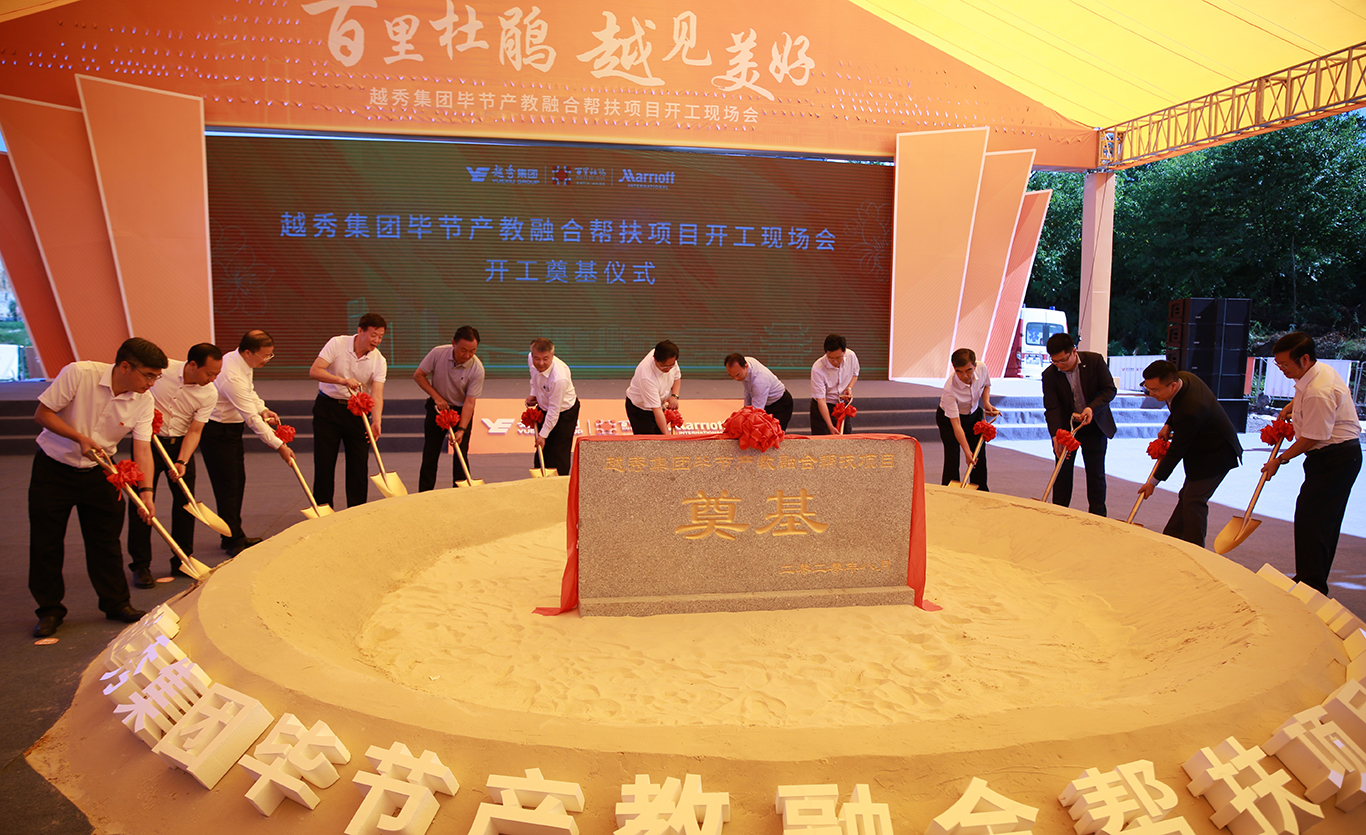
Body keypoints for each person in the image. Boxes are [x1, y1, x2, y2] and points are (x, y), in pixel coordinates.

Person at [28, 337, 166, 638]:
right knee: (46, 542)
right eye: (148, 375)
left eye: (156, 377)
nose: (151, 383)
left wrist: (146, 493)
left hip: (102, 471)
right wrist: (79, 437)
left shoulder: (143, 400)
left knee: (106, 541)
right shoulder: (79, 374)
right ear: (125, 366)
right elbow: (43, 414)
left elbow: (143, 449)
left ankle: (116, 603)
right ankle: (49, 609)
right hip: (53, 468)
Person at [1260, 332, 1362, 595]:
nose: (1282, 369)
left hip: (1336, 458)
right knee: (1313, 519)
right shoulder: (1317, 372)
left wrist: (1280, 460)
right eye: (1278, 364)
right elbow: (1307, 399)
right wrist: (1292, 406)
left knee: (1316, 522)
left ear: (1304, 359)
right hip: (1331, 457)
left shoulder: (1319, 391)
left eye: (1285, 364)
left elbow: (1312, 437)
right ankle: (1308, 579)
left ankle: (1312, 586)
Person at [126, 342, 223, 588]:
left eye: (217, 374)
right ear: (192, 365)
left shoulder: (209, 393)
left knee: (185, 504)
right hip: (148, 442)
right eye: (209, 373)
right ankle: (141, 565)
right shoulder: (163, 372)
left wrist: (182, 461)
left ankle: (182, 559)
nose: (213, 379)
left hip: (180, 446)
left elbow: (195, 430)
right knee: (142, 503)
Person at [200, 329, 296, 557]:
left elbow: (250, 394)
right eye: (265, 356)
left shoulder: (243, 364)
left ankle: (234, 534)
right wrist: (279, 445)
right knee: (227, 487)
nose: (267, 360)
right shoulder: (231, 374)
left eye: (270, 355)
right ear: (247, 352)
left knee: (236, 483)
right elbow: (251, 418)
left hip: (232, 430)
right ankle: (232, 539)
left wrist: (263, 409)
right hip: (217, 432)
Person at [1137, 360, 1242, 548]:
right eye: (1148, 388)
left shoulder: (1192, 408)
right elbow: (1178, 407)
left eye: (1155, 390)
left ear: (1172, 385)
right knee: (1187, 496)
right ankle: (1172, 538)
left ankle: (1196, 549)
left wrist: (1153, 482)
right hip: (1200, 448)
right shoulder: (1184, 378)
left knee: (1194, 500)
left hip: (1216, 454)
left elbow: (1177, 450)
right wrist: (1169, 424)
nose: (1151, 393)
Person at [309, 313, 388, 508]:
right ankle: (323, 511)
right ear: (360, 331)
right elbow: (315, 370)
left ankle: (356, 511)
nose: (377, 341)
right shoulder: (337, 343)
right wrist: (342, 381)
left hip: (358, 413)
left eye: (380, 336)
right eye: (373, 335)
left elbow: (377, 395)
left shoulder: (379, 360)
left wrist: (376, 421)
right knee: (324, 463)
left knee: (358, 466)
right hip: (328, 408)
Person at [1041, 333, 1117, 516]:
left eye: (1063, 360)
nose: (1059, 365)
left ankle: (1098, 517)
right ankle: (1058, 514)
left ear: (1074, 351)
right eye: (1054, 361)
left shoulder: (1094, 361)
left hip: (1094, 425)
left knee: (1096, 473)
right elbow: (1052, 407)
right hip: (1067, 428)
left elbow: (1109, 390)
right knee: (1062, 472)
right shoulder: (1050, 375)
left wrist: (1091, 408)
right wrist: (1056, 435)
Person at [414, 325, 484, 491]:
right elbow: (419, 375)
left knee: (460, 456)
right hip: (437, 409)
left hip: (460, 411)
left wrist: (462, 429)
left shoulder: (477, 369)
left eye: (472, 351)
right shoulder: (438, 353)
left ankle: (460, 494)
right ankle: (424, 494)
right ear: (453, 343)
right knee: (430, 454)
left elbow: (469, 402)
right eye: (463, 350)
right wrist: (437, 397)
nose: (467, 355)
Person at [936, 348, 999, 488]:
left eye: (968, 370)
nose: (964, 376)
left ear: (974, 365)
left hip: (974, 414)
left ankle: (980, 490)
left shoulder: (981, 368)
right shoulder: (950, 390)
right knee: (953, 456)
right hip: (950, 420)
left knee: (978, 455)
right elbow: (957, 425)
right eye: (959, 371)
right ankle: (950, 492)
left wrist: (986, 402)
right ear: (954, 368)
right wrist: (966, 451)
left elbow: (986, 385)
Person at [527, 338, 580, 475]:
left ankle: (560, 482)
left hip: (564, 413)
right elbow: (534, 378)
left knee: (558, 453)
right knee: (542, 451)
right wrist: (534, 394)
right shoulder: (531, 359)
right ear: (532, 355)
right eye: (537, 358)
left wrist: (543, 435)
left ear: (552, 355)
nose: (541, 363)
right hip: (544, 407)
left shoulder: (559, 378)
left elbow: (554, 410)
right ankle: (540, 480)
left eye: (545, 359)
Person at [625, 340, 681, 436]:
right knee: (649, 442)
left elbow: (677, 377)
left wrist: (674, 396)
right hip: (641, 411)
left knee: (660, 437)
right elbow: (657, 410)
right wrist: (667, 437)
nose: (668, 369)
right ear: (654, 359)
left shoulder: (669, 358)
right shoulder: (646, 376)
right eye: (664, 366)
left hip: (660, 405)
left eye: (671, 365)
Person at [724, 353, 794, 430]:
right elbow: (748, 389)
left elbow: (757, 412)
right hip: (765, 402)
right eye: (731, 375)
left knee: (773, 434)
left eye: (738, 375)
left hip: (780, 405)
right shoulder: (745, 363)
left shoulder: (760, 381)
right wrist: (745, 409)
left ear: (746, 366)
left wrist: (742, 418)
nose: (735, 379)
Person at [810, 334, 859, 435]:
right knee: (823, 440)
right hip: (823, 407)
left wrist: (849, 388)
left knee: (846, 438)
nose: (835, 361)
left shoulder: (851, 356)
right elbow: (821, 400)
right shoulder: (818, 368)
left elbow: (855, 374)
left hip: (841, 406)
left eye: (838, 358)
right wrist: (830, 426)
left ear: (844, 351)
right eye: (830, 358)